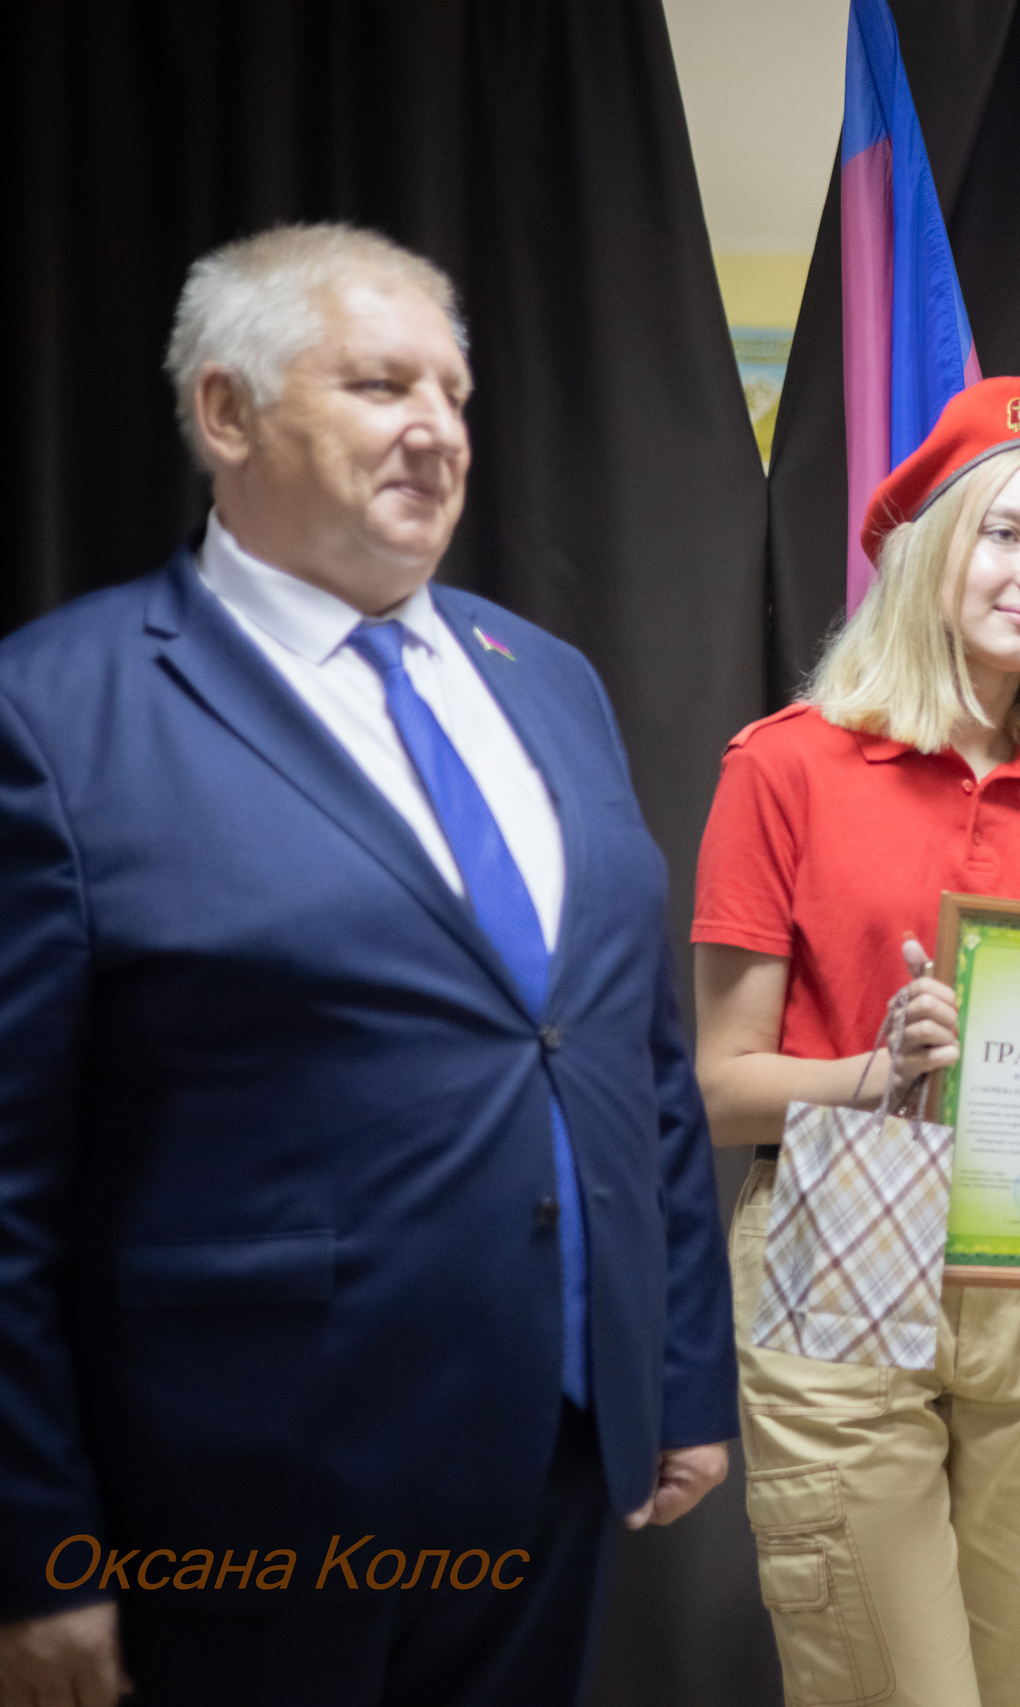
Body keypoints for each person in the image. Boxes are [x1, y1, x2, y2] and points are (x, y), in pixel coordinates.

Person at [0, 223, 735, 1706]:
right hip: (245, 1504)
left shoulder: (550, 680)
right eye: (382, 385)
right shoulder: (57, 709)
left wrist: (678, 1368)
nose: (439, 431)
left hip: (558, 1463)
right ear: (226, 412)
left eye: (455, 394)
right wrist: (31, 1545)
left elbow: (633, 1050)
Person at [692, 377, 1020, 1707]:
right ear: (926, 546)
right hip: (841, 1231)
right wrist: (882, 1071)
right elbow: (720, 1087)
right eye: (1005, 533)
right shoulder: (785, 766)